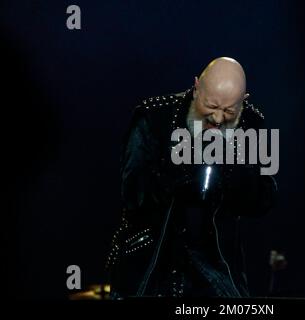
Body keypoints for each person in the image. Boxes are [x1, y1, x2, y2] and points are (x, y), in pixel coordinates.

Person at [106, 57, 277, 298]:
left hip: (218, 274)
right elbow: (134, 193)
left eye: (229, 111)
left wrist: (233, 166)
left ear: (244, 101)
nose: (218, 118)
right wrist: (185, 166)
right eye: (211, 106)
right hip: (150, 267)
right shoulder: (154, 117)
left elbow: (265, 198)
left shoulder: (253, 125)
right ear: (196, 88)